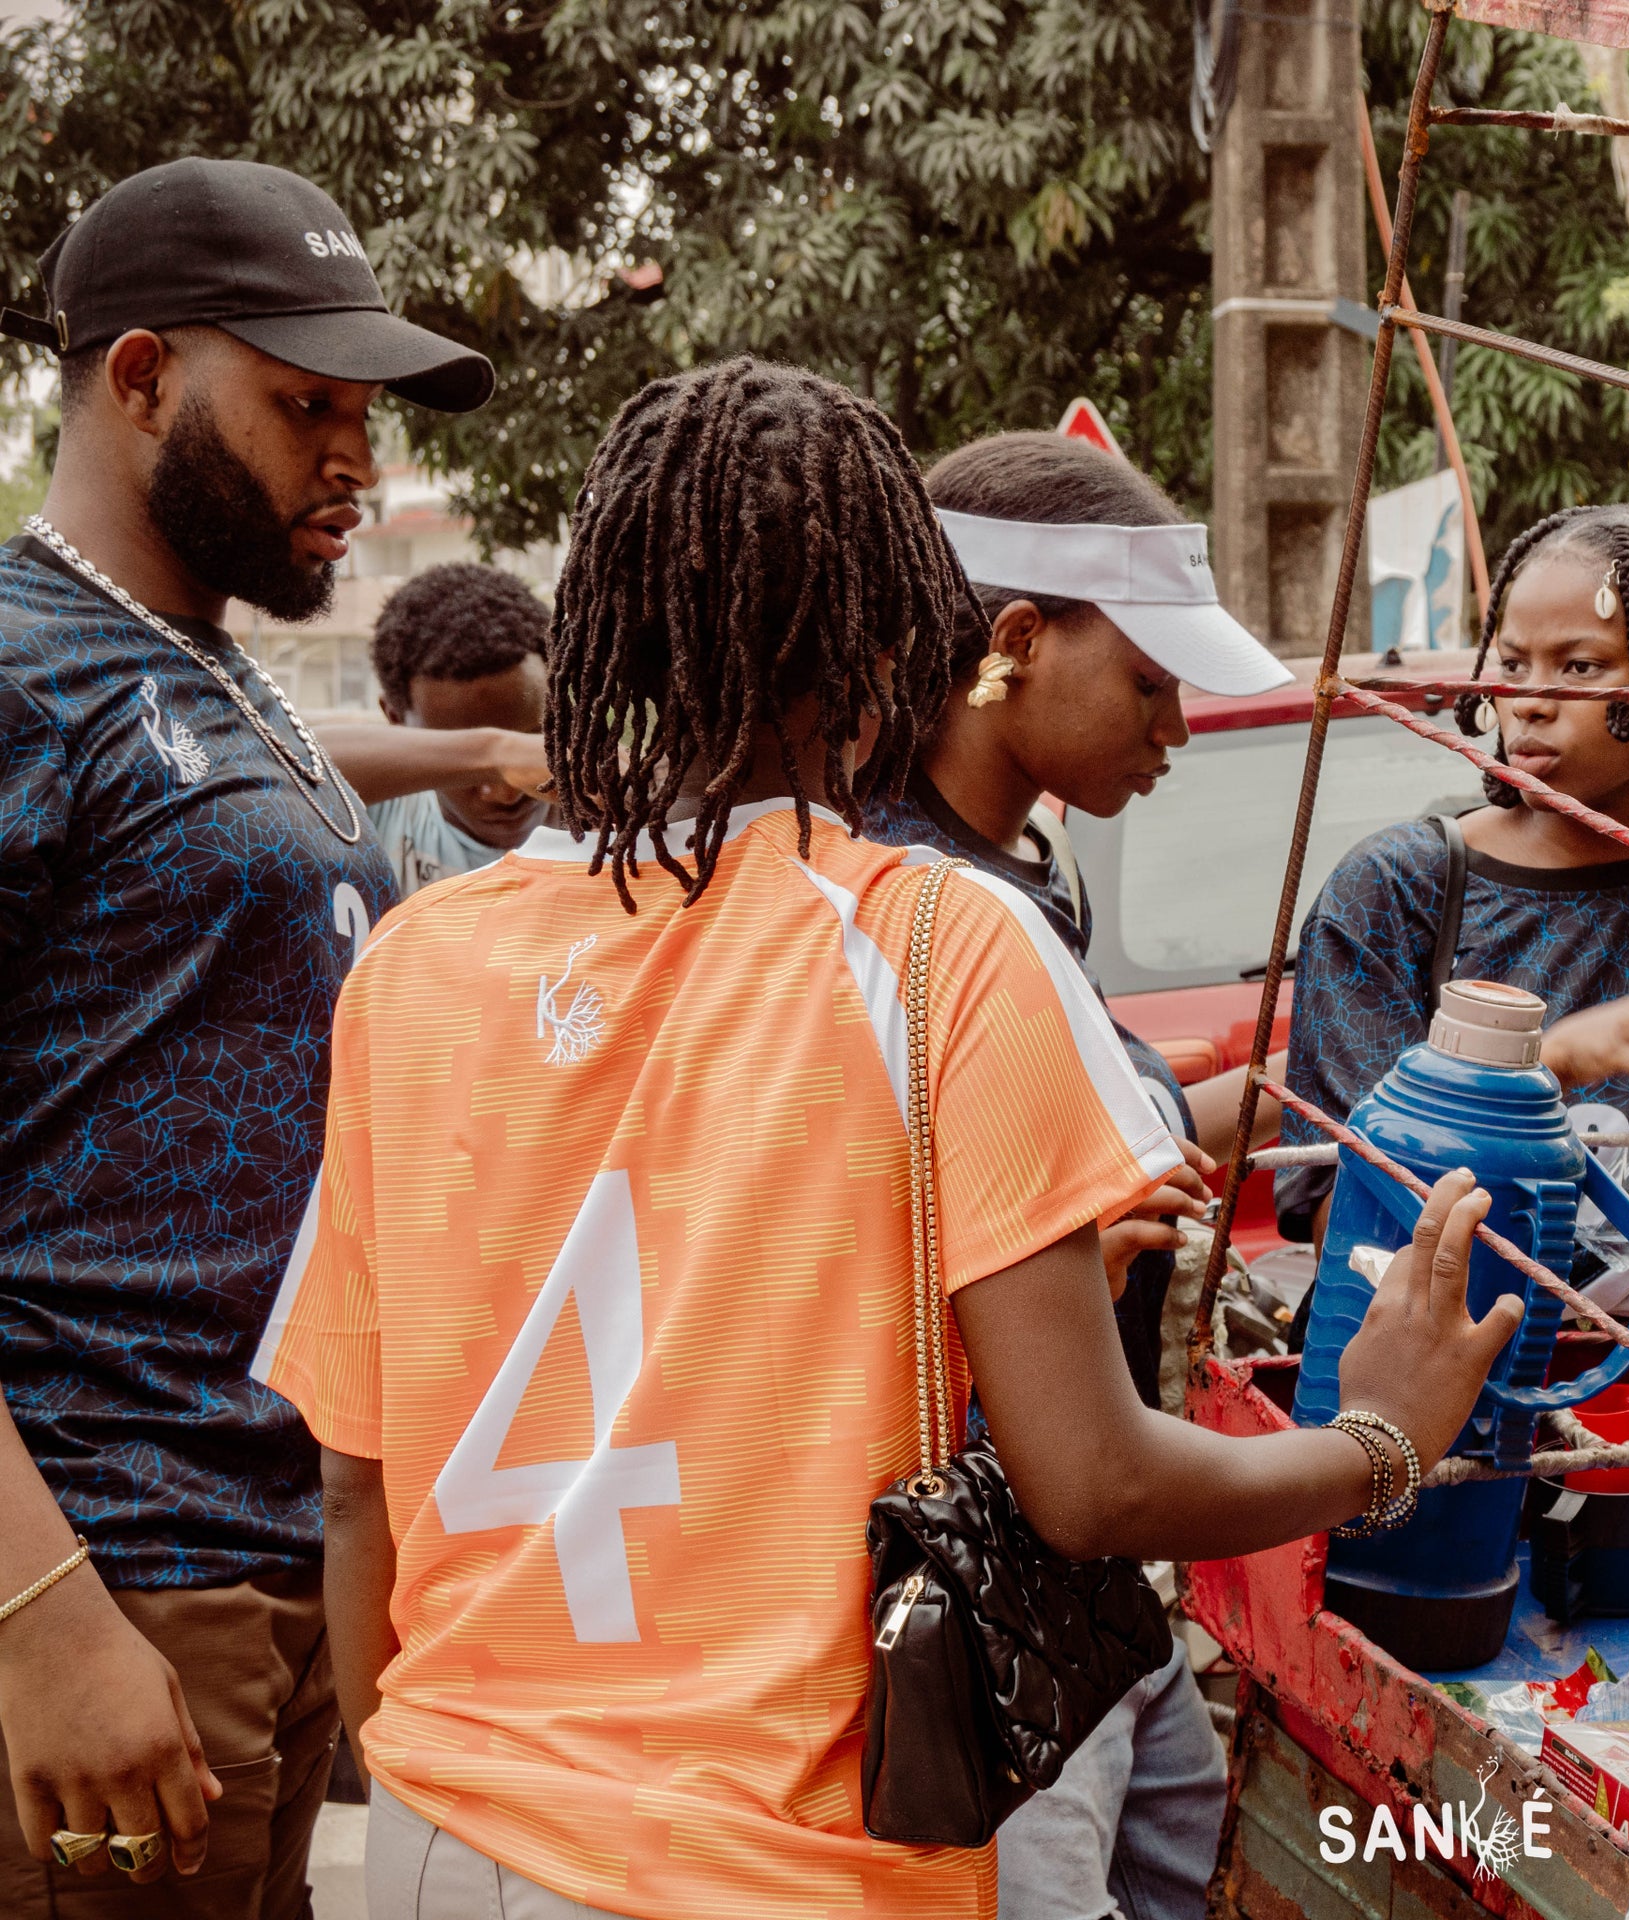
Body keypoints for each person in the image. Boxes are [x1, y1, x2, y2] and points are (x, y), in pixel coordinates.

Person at [252, 357, 1522, 1920]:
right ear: (883, 649)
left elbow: (355, 1490)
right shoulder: (939, 944)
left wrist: (443, 1771)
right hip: (777, 1865)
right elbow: (1092, 1487)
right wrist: (1380, 1442)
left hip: (446, 1836)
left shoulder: (416, 963)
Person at [0, 157, 491, 1916]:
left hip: (272, 1564)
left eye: (361, 416)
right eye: (303, 409)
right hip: (107, 1577)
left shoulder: (203, 666)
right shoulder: (15, 665)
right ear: (137, 379)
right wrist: (42, 1624)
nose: (354, 463)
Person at [863, 430, 1289, 1920]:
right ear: (1016, 644)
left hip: (1082, 1555)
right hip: (985, 1561)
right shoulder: (901, 907)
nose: (1178, 724)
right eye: (1153, 682)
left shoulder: (1024, 869)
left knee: (1178, 1830)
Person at [1275, 504, 1629, 1324]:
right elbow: (1334, 1220)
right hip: (1421, 1399)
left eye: (1580, 667)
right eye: (1512, 663)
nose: (1529, 700)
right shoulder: (1396, 890)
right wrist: (1543, 1066)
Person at [316, 561, 555, 895]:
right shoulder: (384, 813)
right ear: (396, 719)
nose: (507, 792)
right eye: (465, 747)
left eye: (535, 738)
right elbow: (291, 761)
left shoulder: (607, 825)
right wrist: (500, 755)